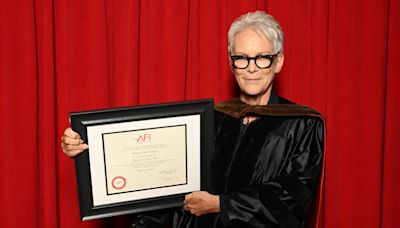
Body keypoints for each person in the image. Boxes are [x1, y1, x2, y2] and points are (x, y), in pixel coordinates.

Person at [62, 11, 324, 228]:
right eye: (241, 58)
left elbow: (292, 198)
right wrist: (89, 148)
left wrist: (221, 204)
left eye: (262, 58)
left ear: (278, 62)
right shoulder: (213, 120)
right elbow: (160, 175)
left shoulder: (303, 124)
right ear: (231, 64)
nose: (252, 67)